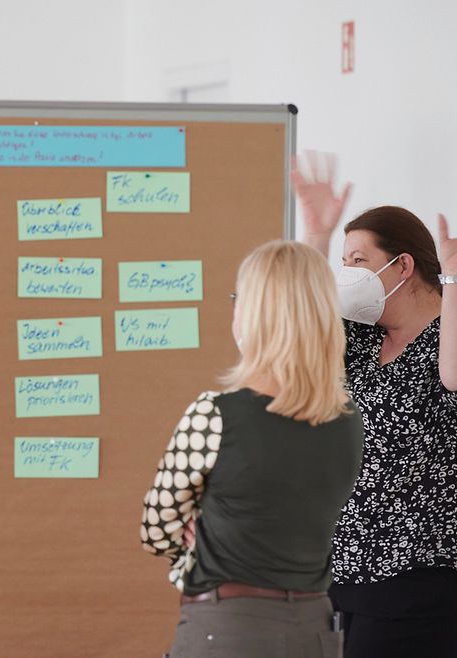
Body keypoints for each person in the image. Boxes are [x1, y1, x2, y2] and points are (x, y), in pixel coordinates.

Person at [294, 153, 457, 658]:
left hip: (427, 567)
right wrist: (317, 235)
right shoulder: (361, 339)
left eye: (357, 260)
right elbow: (296, 340)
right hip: (342, 569)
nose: (345, 272)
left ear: (403, 265)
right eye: (343, 261)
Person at [141, 240, 363, 658]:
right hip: (314, 630)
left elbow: (156, 531)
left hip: (227, 631)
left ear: (256, 314)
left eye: (238, 298)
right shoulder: (347, 421)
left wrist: (205, 539)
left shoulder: (215, 414)